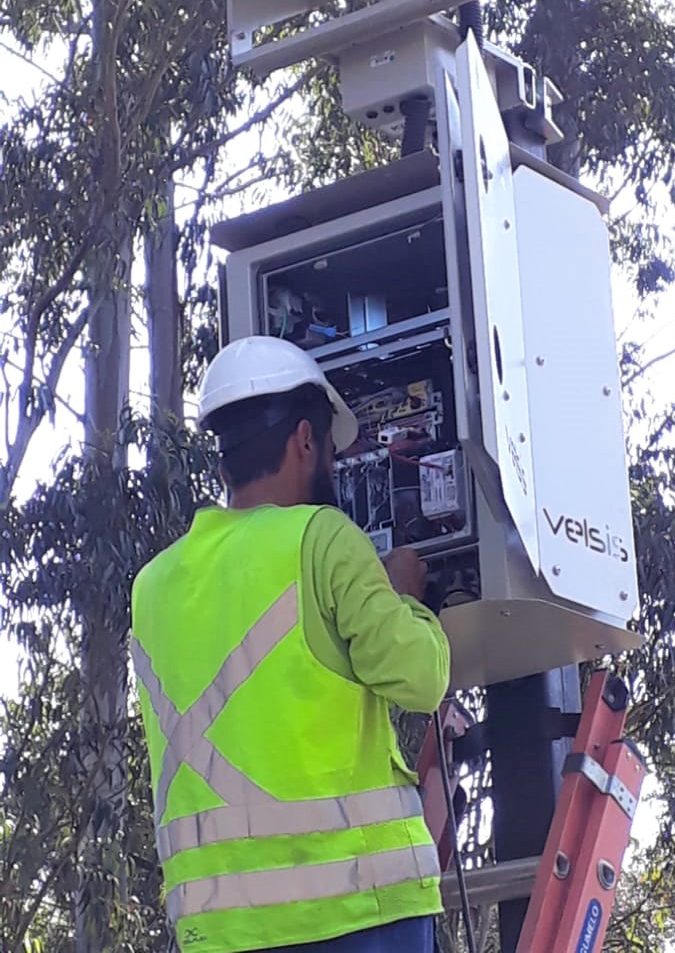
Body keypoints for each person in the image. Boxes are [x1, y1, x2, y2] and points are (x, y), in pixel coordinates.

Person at [131, 335, 451, 953]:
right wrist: (405, 595)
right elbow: (421, 679)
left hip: (220, 932)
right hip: (360, 915)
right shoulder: (322, 538)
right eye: (330, 448)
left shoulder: (152, 587)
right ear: (306, 439)